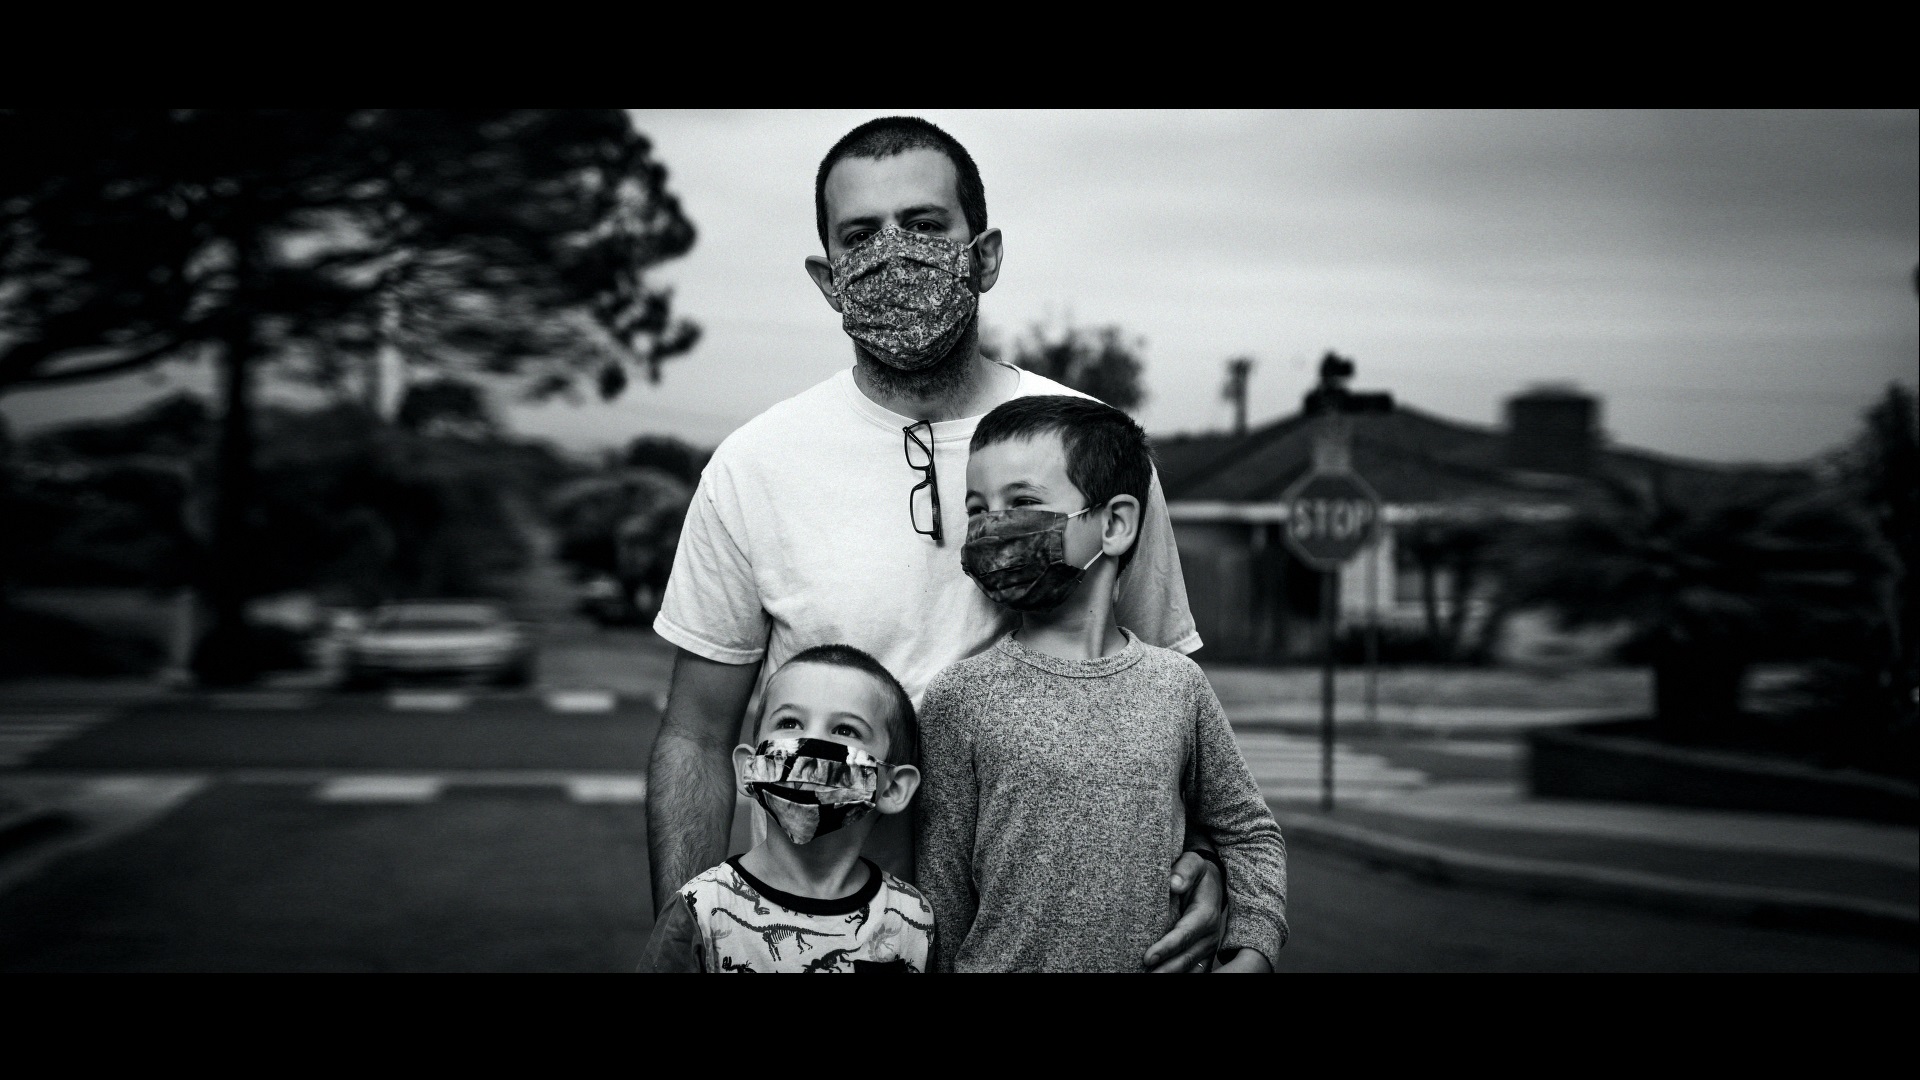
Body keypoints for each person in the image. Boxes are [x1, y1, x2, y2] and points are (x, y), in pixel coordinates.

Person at [646, 115, 1227, 971]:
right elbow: (697, 736)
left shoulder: (1092, 453)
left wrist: (1209, 862)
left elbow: (1166, 692)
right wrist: (688, 940)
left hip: (1046, 945)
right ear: (828, 277)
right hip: (821, 946)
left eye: (923, 227)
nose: (893, 253)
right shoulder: (754, 465)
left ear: (985, 255)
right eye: (860, 236)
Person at [915, 395, 1287, 972]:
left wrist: (1254, 951)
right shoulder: (959, 699)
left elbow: (1247, 832)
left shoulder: (1176, 687)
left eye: (1022, 502)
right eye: (977, 509)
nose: (992, 528)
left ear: (1114, 524)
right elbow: (942, 894)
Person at [638, 645, 932, 973]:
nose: (808, 744)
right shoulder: (699, 908)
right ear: (749, 768)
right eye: (790, 722)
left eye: (846, 730)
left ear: (892, 787)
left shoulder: (913, 920)